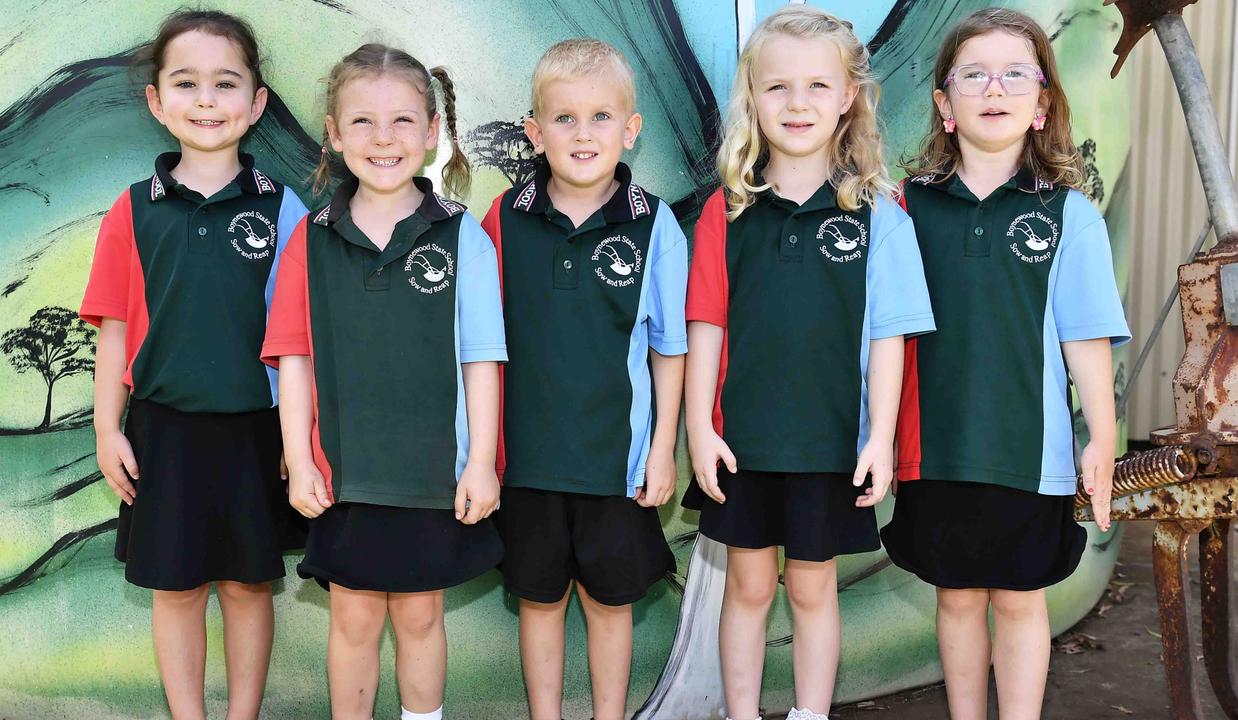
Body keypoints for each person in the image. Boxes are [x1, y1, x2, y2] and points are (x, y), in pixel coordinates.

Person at [681, 7, 935, 720]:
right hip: (746, 443)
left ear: (849, 95)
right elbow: (705, 324)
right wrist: (700, 427)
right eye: (778, 87)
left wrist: (879, 437)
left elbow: (890, 336)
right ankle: (741, 712)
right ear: (751, 97)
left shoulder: (879, 214)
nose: (798, 104)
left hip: (830, 445)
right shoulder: (726, 211)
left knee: (812, 588)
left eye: (818, 86)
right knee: (750, 588)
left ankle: (809, 713)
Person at [881, 9, 1130, 720]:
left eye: (1016, 72)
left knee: (1020, 602)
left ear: (1043, 101)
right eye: (975, 74)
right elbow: (883, 336)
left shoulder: (1068, 214)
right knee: (956, 598)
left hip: (1031, 454)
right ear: (943, 103)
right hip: (934, 451)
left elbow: (1085, 338)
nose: (996, 88)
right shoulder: (907, 209)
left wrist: (1103, 438)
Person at [261, 44, 505, 720]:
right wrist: (302, 457)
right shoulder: (309, 239)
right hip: (346, 475)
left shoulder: (463, 237)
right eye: (362, 122)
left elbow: (482, 357)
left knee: (422, 619)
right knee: (355, 621)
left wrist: (480, 462)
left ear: (433, 132)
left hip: (432, 475)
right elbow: (293, 357)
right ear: (334, 135)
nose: (384, 139)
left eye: (403, 121)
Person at [80, 10, 308, 720]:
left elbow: (300, 340)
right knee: (175, 588)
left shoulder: (284, 208)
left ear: (256, 102)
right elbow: (113, 330)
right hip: (162, 430)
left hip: (254, 430)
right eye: (186, 83)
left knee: (246, 586)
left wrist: (298, 442)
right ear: (156, 100)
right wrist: (107, 429)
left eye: (225, 83)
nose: (206, 100)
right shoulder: (131, 211)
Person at [479, 38, 688, 720]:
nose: (583, 133)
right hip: (528, 465)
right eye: (563, 118)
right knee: (539, 603)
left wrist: (662, 451)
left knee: (609, 603)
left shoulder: (655, 226)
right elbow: (478, 348)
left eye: (601, 117)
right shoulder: (500, 222)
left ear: (631, 129)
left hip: (616, 468)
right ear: (535, 132)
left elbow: (669, 349)